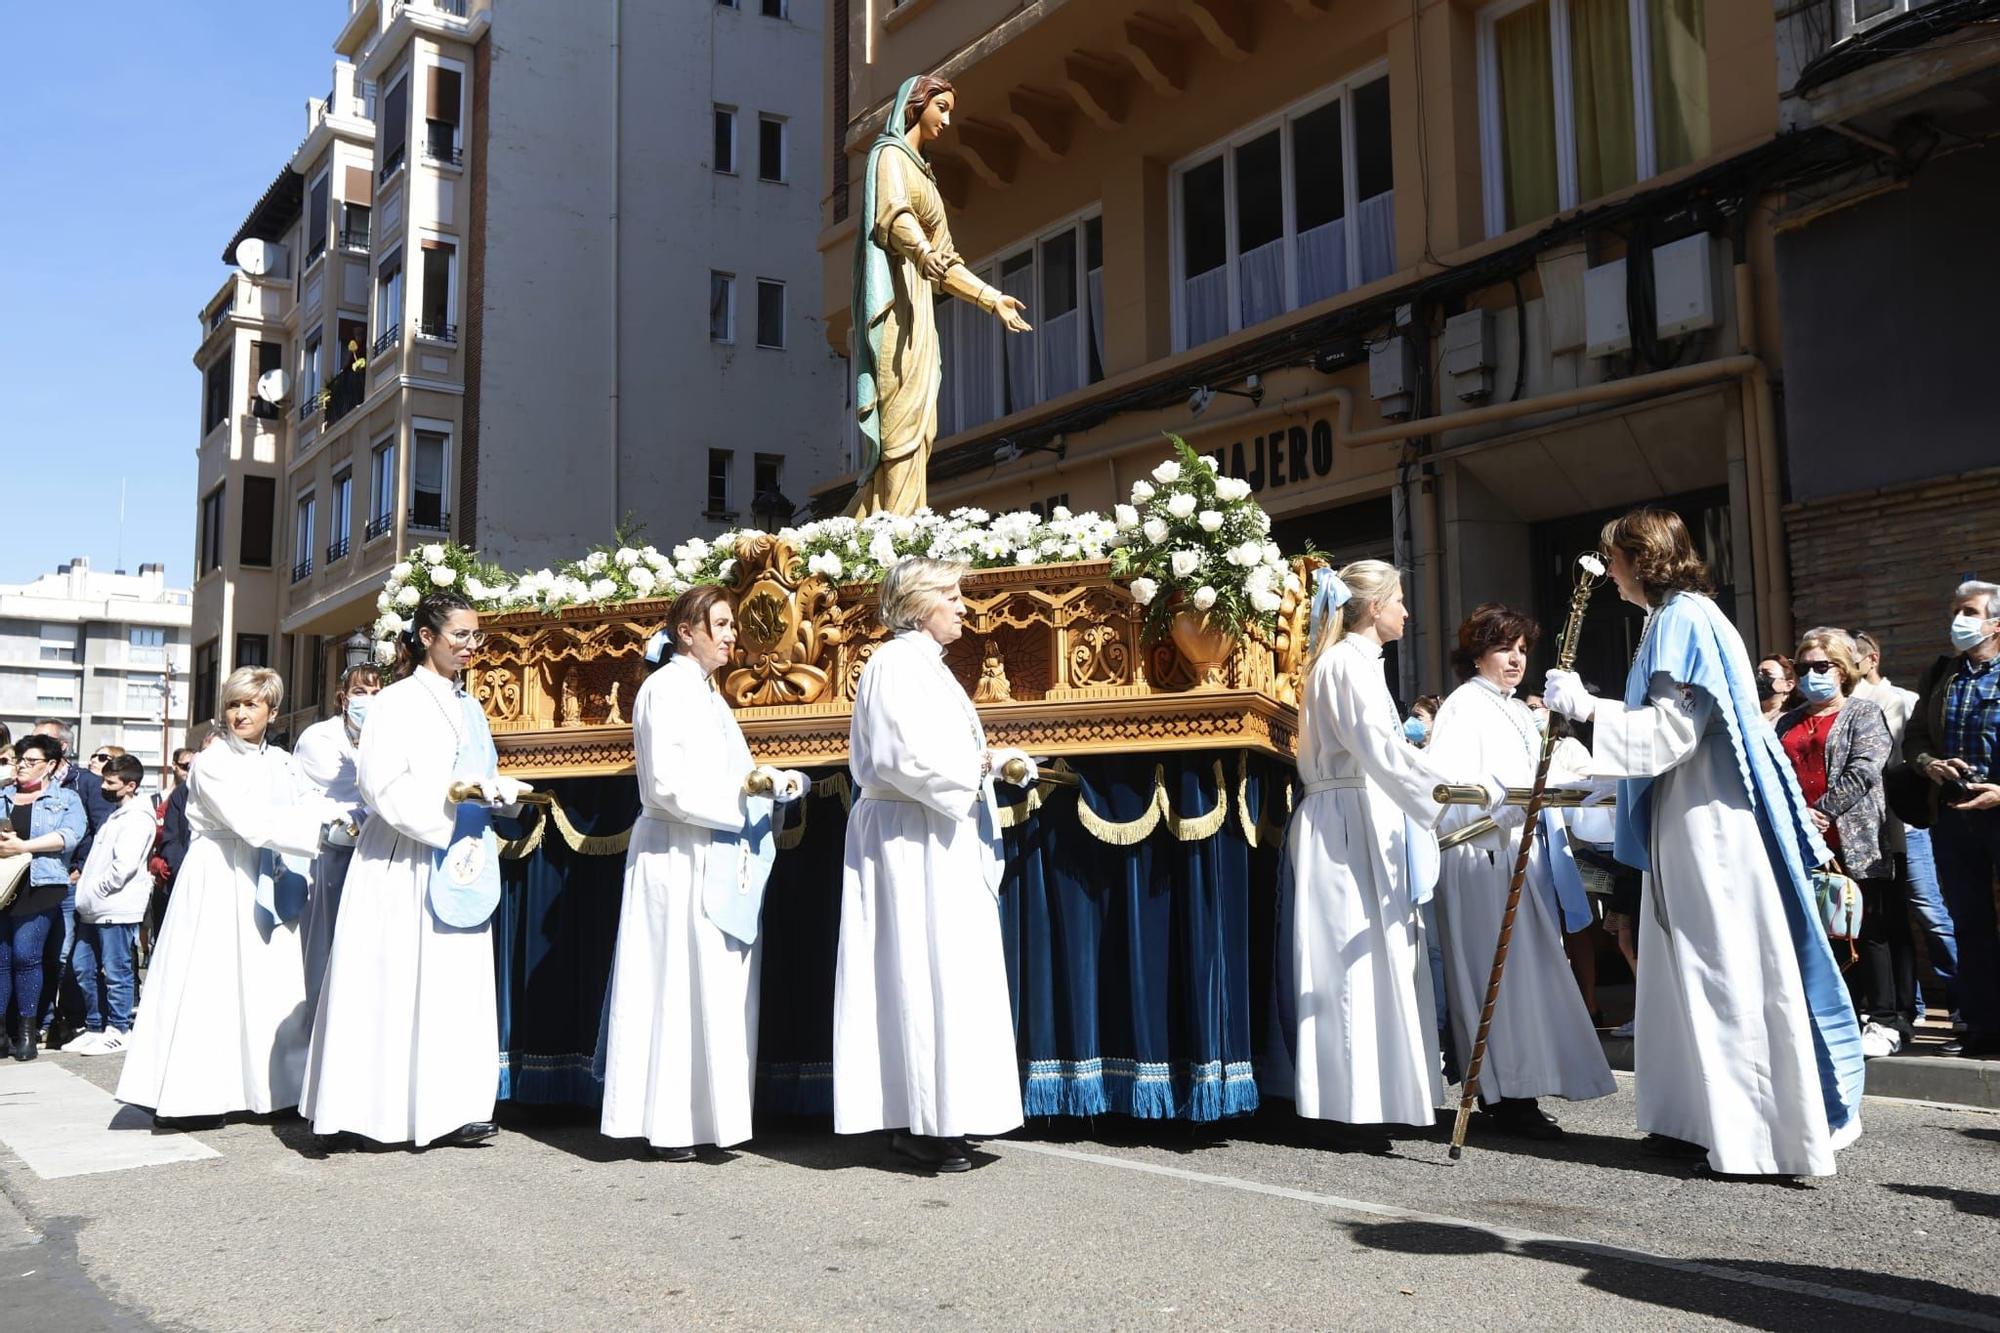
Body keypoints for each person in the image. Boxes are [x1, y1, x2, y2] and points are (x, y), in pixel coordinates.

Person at [1542, 509, 1863, 1177]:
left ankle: (1754, 1136)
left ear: (1636, 558)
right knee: (1681, 969)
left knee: (1720, 969)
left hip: (1709, 826)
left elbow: (1669, 736)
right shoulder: (1678, 619)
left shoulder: (1682, 620)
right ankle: (1690, 1118)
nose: (1612, 577)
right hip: (1690, 821)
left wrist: (1585, 707)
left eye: (1615, 561)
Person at [1278, 560, 1504, 1154]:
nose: (1407, 611)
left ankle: (1381, 1095)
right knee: (1349, 962)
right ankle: (1346, 1101)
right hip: (1346, 825)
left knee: (1381, 957)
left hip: (1367, 818)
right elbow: (1381, 750)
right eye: (1399, 599)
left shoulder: (1358, 666)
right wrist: (1454, 789)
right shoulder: (1344, 666)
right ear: (1373, 607)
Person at [303, 591, 532, 1150]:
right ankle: (370, 1112)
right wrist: (451, 808)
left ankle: (451, 1107)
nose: (470, 646)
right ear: (426, 637)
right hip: (402, 858)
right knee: (391, 980)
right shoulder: (397, 702)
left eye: (476, 635)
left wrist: (499, 798)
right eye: (459, 634)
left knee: (451, 983)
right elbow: (379, 783)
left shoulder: (472, 706)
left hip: (457, 859)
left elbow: (480, 775)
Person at [834, 558, 1036, 1172]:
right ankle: (924, 1119)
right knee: (918, 971)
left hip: (932, 829)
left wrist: (993, 761)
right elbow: (902, 759)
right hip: (908, 835)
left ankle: (945, 1111)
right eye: (950, 594)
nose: (963, 606)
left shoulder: (929, 669)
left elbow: (938, 753)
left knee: (944, 971)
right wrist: (975, 769)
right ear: (919, 603)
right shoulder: (896, 664)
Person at [599, 588, 806, 1161]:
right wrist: (744, 802)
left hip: (711, 849)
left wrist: (770, 783)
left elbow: (732, 773)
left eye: (731, 624)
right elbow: (667, 783)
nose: (731, 633)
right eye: (719, 624)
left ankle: (705, 1117)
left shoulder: (709, 695)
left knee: (709, 985)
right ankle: (669, 1123)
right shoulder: (665, 688)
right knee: (673, 984)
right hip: (677, 850)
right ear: (685, 631)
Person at [115, 670, 344, 1127]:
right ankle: (194, 1095)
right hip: (219, 872)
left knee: (268, 981)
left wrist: (339, 815)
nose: (240, 713)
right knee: (210, 980)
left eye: (252, 705)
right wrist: (317, 827)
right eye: (234, 704)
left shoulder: (282, 761)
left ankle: (272, 1090)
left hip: (272, 872)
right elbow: (250, 820)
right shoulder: (212, 761)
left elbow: (308, 802)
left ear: (272, 713)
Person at [1426, 605, 1615, 1139]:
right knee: (1496, 974)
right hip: (1481, 854)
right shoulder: (1465, 706)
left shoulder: (1509, 707)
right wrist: (1510, 800)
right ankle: (1502, 1090)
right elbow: (1453, 789)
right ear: (1477, 652)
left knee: (1526, 975)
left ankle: (1521, 1084)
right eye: (1503, 647)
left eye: (1522, 649)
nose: (1515, 659)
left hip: (1518, 853)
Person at [849, 75, 1032, 516]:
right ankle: (890, 537)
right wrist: (921, 251)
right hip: (895, 305)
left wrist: (992, 298)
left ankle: (893, 528)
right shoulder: (890, 155)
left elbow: (947, 263)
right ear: (917, 105)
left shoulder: (927, 176)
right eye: (942, 108)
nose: (948, 120)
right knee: (899, 426)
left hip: (920, 308)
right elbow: (893, 215)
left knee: (922, 425)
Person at [1777, 628, 1905, 1056]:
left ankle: (1884, 1020)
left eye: (1822, 666)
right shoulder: (1788, 722)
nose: (1813, 674)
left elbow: (1865, 769)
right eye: (1805, 667)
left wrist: (1822, 811)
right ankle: (1840, 1014)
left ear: (1842, 670)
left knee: (1867, 929)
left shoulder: (1863, 714)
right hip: (1801, 843)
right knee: (1823, 931)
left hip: (1852, 839)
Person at [1904, 580, 2000, 1059]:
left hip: (1997, 808)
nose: (1958, 620)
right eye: (1955, 610)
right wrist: (1931, 766)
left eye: (1969, 611)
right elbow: (1916, 737)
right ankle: (1984, 1026)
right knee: (1969, 920)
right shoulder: (1943, 674)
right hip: (1953, 816)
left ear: (1995, 622)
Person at [1854, 629, 1958, 1028]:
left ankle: (1960, 1000)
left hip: (1906, 827)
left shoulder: (1901, 701)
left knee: (1929, 911)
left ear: (1871, 658)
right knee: (1886, 918)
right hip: (1867, 832)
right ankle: (1905, 1005)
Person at [293, 665, 380, 1012]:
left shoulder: (387, 735)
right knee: (327, 946)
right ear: (343, 698)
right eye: (361, 693)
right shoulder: (320, 738)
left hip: (374, 855)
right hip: (330, 856)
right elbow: (343, 798)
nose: (369, 701)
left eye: (377, 694)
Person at [0, 736, 87, 1060]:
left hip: (41, 884)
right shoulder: (3, 794)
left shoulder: (66, 798)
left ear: (50, 765)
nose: (22, 765)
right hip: (3, 883)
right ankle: (1, 1033)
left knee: (26, 955)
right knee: (2, 959)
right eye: (19, 759)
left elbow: (69, 836)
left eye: (31, 760)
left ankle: (27, 1031)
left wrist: (23, 846)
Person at [65, 754, 157, 1056]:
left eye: (110, 782)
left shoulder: (136, 818)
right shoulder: (118, 815)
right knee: (83, 967)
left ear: (130, 786)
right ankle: (95, 1026)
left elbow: (124, 866)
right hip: (96, 907)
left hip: (115, 907)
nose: (104, 786)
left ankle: (119, 1027)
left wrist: (97, 889)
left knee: (116, 970)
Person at [31, 720, 113, 1038]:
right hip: (33, 881)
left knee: (64, 952)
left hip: (70, 881)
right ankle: (37, 1017)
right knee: (34, 951)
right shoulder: (27, 784)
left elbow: (100, 832)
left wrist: (81, 866)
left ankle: (63, 1018)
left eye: (43, 739)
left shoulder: (88, 783)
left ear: (62, 748)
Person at [1756, 654, 1797, 729]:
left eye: (1767, 674)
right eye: (1757, 673)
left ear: (1788, 685)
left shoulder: (1792, 721)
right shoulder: (1747, 714)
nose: (1759, 678)